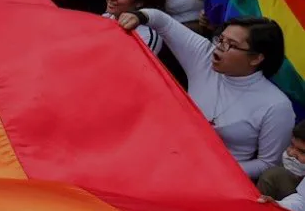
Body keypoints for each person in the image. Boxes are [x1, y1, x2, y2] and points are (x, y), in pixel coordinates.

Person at [118, 11, 293, 179]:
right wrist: (138, 16)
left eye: (231, 45)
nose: (219, 48)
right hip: (166, 158)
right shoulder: (204, 57)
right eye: (220, 39)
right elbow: (162, 21)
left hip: (216, 182)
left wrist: (214, 171)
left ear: (256, 58)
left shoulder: (276, 106)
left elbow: (268, 164)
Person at [256, 120, 305, 202]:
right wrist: (277, 205)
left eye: (302, 152)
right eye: (292, 145)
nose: (291, 153)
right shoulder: (273, 177)